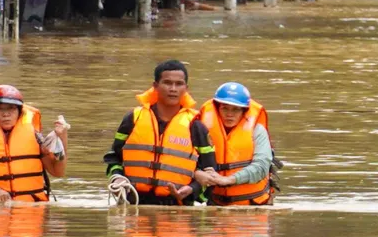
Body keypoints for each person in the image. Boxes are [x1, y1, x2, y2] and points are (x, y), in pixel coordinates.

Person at [103, 59, 216, 206]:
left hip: (177, 208)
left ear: (186, 88)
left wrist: (191, 189)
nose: (173, 89)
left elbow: (211, 173)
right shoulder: (133, 119)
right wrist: (117, 178)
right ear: (155, 86)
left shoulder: (196, 126)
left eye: (179, 84)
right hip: (133, 204)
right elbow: (113, 158)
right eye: (167, 83)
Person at [0, 85, 68, 202]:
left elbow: (57, 172)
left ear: (19, 112)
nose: (6, 114)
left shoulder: (36, 137)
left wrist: (62, 137)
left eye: (11, 108)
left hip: (31, 207)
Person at [194, 82, 275, 206]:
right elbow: (185, 161)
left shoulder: (257, 130)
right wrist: (197, 174)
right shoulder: (201, 129)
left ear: (244, 111)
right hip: (215, 202)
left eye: (236, 109)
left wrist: (227, 180)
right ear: (217, 108)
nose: (229, 114)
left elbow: (261, 167)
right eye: (225, 108)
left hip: (254, 204)